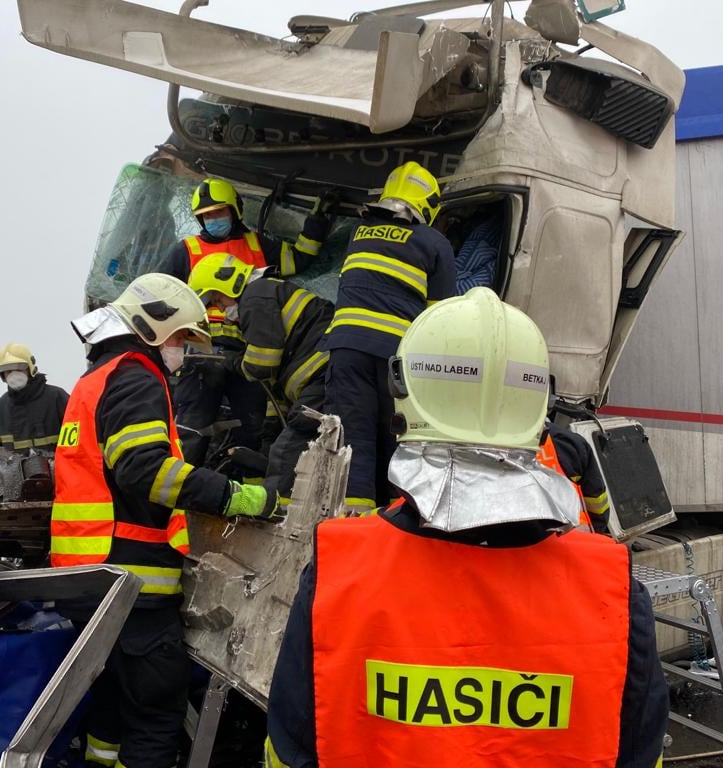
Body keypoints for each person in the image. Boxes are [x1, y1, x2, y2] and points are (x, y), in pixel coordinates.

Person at [265, 288, 668, 768]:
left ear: (404, 394)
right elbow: (640, 756)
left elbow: (289, 752)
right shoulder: (614, 591)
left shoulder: (338, 572)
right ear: (537, 407)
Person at [51, 273, 276, 768]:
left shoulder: (95, 378)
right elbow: (145, 469)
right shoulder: (136, 376)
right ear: (154, 328)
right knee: (156, 714)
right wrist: (234, 496)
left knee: (112, 704)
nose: (181, 351)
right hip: (132, 583)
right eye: (179, 338)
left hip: (90, 578)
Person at [158, 177, 333, 464]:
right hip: (205, 354)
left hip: (250, 353)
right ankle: (181, 490)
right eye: (206, 216)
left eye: (219, 212)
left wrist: (317, 222)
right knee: (192, 426)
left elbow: (296, 260)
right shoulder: (185, 250)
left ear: (235, 210)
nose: (213, 219)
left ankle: (245, 492)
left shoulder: (256, 243)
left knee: (252, 427)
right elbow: (163, 298)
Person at [321, 161, 456, 513]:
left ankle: (351, 521)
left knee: (353, 437)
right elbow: (439, 318)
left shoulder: (359, 232)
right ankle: (394, 522)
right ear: (428, 204)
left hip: (348, 349)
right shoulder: (436, 244)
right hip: (398, 360)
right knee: (398, 440)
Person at [189, 253, 333, 508]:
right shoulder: (264, 294)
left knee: (288, 448)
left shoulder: (256, 296)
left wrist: (228, 360)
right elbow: (273, 380)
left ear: (229, 283)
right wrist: (267, 431)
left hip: (323, 375)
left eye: (218, 298)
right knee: (271, 446)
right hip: (323, 376)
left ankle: (275, 509)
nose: (220, 308)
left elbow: (260, 366)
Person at [0, 343, 69, 452]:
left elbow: (79, 436)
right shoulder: (3, 405)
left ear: (30, 368)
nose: (14, 375)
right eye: (8, 371)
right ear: (2, 375)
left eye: (18, 369)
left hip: (59, 468)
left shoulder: (56, 397)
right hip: (17, 469)